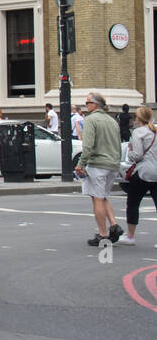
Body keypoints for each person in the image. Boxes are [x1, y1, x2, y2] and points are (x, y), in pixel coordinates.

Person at [75, 91, 123, 246]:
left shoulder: (90, 120)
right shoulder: (112, 121)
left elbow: (87, 146)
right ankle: (114, 225)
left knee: (97, 198)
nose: (86, 105)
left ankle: (103, 234)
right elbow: (118, 143)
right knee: (102, 196)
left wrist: (81, 164)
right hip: (112, 164)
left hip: (98, 164)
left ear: (95, 104)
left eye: (88, 103)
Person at [120, 106, 157, 246]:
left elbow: (137, 155)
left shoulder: (138, 132)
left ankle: (130, 236)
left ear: (137, 118)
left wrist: (129, 152)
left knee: (133, 203)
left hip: (143, 173)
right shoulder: (155, 131)